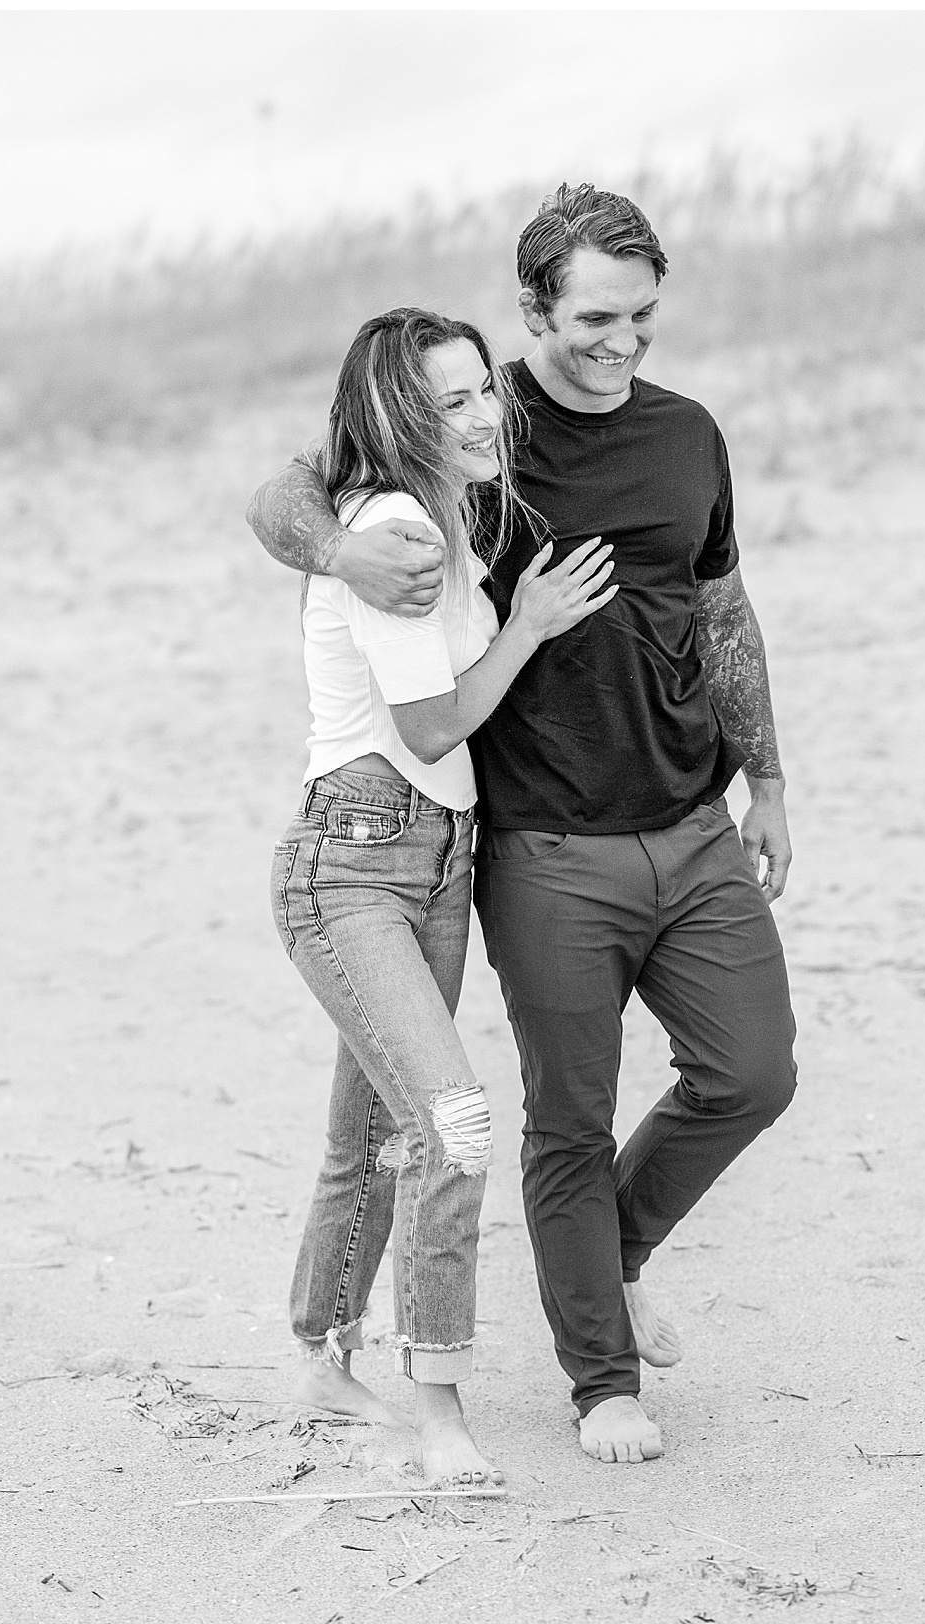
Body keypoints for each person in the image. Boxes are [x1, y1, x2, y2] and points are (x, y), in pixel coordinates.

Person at [249, 184, 797, 1467]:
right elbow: (281, 496)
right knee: (524, 1121)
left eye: (645, 314)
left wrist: (766, 776)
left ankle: (593, 1260)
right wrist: (341, 552)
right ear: (534, 311)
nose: (623, 339)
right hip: (526, 841)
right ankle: (556, 1381)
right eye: (597, 315)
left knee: (751, 1072)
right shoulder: (462, 430)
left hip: (668, 820)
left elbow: (723, 610)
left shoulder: (681, 434)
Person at [266, 305, 618, 1485]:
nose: (483, 414)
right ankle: (441, 1415)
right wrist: (526, 626)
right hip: (355, 859)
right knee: (454, 1125)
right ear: (400, 418)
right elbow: (431, 722)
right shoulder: (399, 530)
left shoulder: (447, 515)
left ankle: (319, 1360)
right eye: (451, 400)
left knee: (371, 1131)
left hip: (435, 856)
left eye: (484, 391)